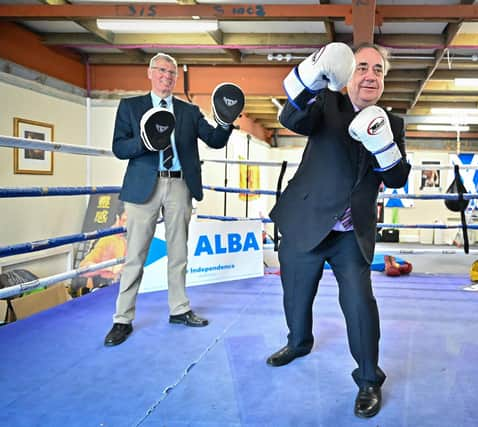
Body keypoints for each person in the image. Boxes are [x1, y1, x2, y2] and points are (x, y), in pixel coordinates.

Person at [267, 42, 411, 418]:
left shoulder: (393, 123)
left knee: (360, 304)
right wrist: (313, 78)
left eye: (378, 70)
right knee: (296, 297)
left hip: (351, 232)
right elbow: (290, 120)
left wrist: (385, 147)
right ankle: (298, 342)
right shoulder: (328, 103)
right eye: (362, 67)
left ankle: (368, 379)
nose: (370, 75)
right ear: (349, 73)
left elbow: (397, 178)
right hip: (306, 220)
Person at [104, 52, 244, 347]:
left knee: (178, 252)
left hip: (179, 185)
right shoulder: (131, 107)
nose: (167, 76)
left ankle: (179, 309)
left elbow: (215, 140)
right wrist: (145, 141)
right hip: (144, 185)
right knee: (135, 255)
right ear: (150, 73)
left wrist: (226, 120)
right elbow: (119, 147)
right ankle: (122, 318)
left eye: (172, 73)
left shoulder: (188, 111)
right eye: (162, 71)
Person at [72, 202, 128, 296]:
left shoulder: (123, 241)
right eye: (125, 220)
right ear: (118, 218)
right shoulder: (106, 239)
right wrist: (110, 267)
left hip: (117, 288)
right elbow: (83, 267)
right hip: (102, 290)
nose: (127, 225)